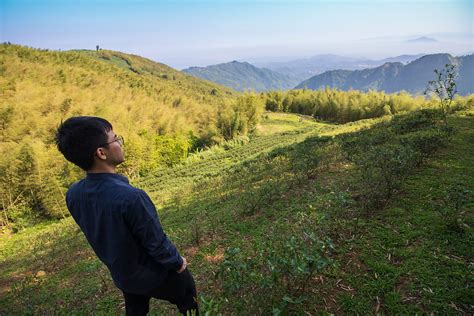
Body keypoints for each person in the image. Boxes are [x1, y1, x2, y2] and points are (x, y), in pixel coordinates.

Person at [55, 116, 198, 315]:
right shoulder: (131, 198)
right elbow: (156, 243)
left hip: (124, 276)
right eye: (115, 139)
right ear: (101, 153)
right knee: (189, 298)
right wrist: (179, 264)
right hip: (155, 274)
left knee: (136, 311)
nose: (119, 143)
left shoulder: (74, 194)